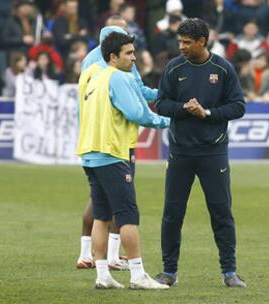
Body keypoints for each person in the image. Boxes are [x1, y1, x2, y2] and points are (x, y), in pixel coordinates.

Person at [154, 18, 247, 288]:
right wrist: (185, 108)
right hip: (180, 152)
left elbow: (238, 106)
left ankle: (229, 272)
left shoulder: (223, 68)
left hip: (213, 152)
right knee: (172, 213)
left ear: (202, 41)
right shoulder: (173, 68)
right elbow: (160, 104)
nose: (181, 46)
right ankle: (169, 272)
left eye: (186, 42)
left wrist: (207, 113)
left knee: (221, 212)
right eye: (179, 41)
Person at [76, 31, 169, 289]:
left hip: (91, 153)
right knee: (128, 216)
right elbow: (138, 113)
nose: (134, 58)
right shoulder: (119, 78)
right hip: (112, 153)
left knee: (101, 216)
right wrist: (170, 121)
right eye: (128, 53)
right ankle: (138, 275)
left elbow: (80, 113)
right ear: (112, 56)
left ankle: (103, 274)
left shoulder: (90, 75)